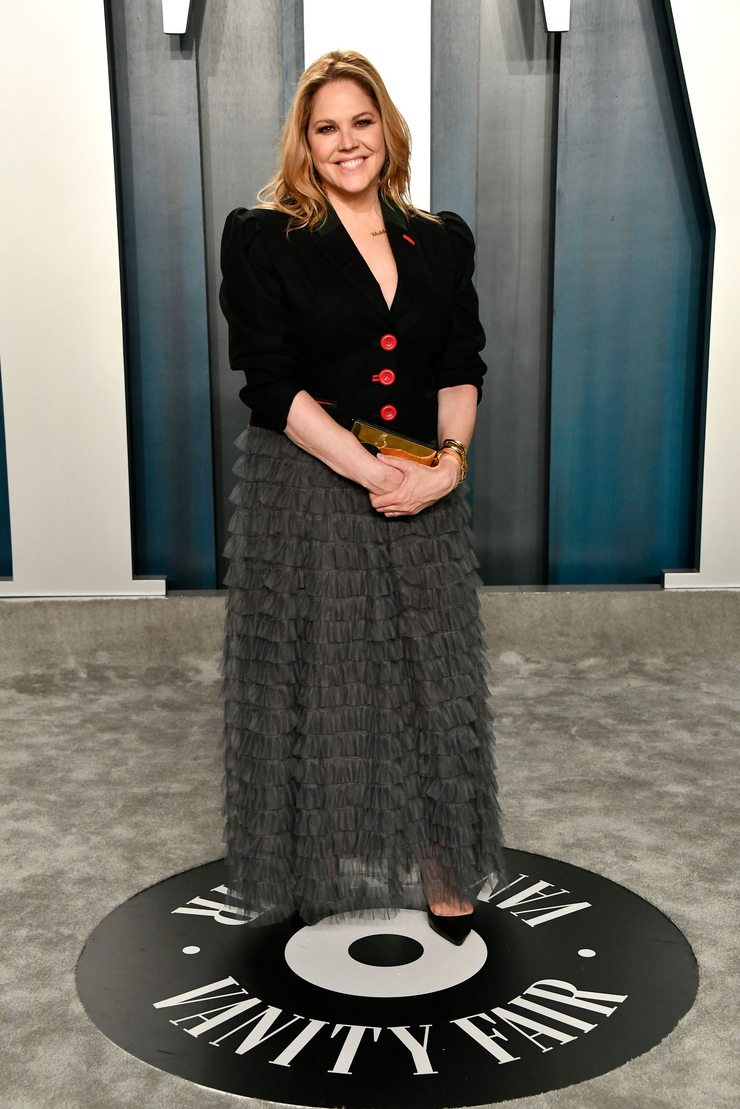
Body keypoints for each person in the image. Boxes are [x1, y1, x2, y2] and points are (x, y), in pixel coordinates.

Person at [219, 49, 505, 946]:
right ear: (305, 144)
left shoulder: (440, 238)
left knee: (434, 676)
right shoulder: (264, 236)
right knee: (325, 675)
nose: (348, 142)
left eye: (362, 121)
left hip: (422, 474)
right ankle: (318, 863)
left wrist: (447, 467)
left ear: (388, 128)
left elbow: (460, 364)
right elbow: (271, 383)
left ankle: (443, 858)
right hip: (308, 477)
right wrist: (372, 473)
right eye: (326, 128)